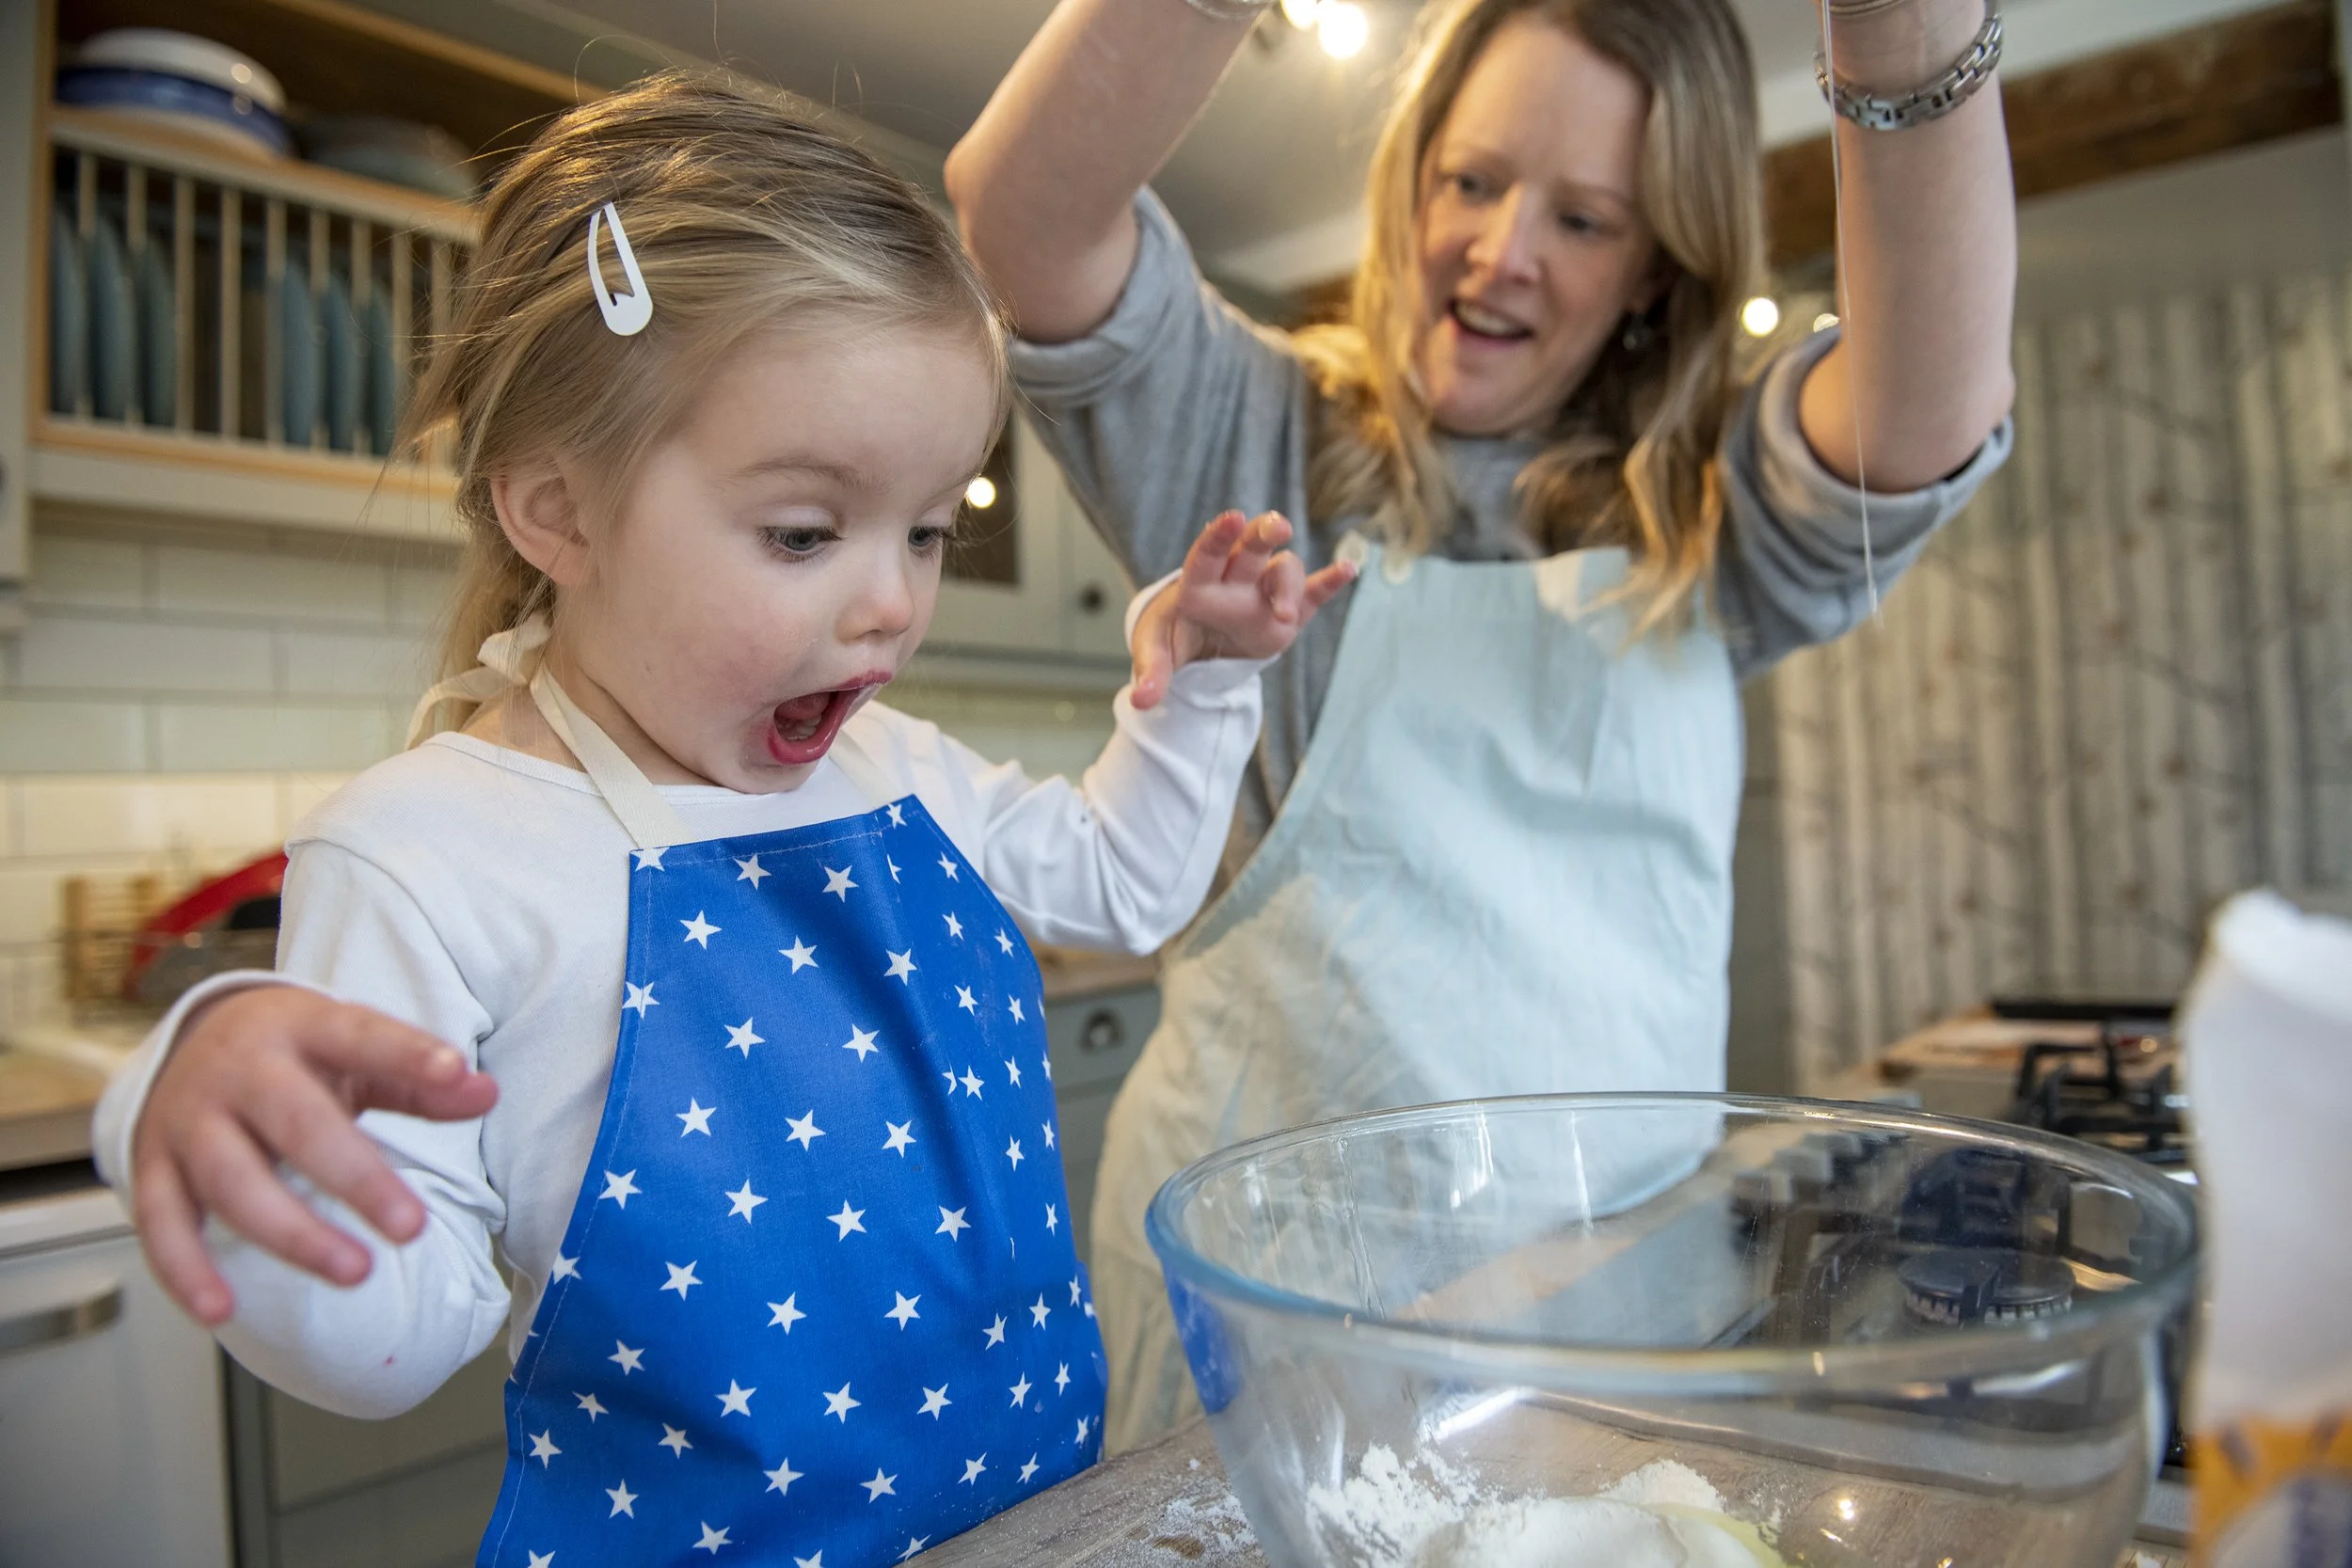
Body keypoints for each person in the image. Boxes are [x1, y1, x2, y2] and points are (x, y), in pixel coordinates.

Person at [90, 73, 1349, 1567]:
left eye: (930, 528)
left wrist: (1197, 685)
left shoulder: (890, 765)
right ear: (556, 511)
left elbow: (1122, 888)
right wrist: (215, 1128)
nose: (891, 600)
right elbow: (387, 1346)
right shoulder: (428, 855)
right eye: (806, 532)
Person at [946, 0, 2019, 1449]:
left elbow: (1925, 408)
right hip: (1270, 1328)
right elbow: (1019, 215)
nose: (1503, 251)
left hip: (1613, 1317)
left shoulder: (1711, 507)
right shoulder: (1248, 434)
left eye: (1584, 219)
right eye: (1472, 179)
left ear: (1654, 267)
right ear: (1412, 179)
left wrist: (1905, 27)